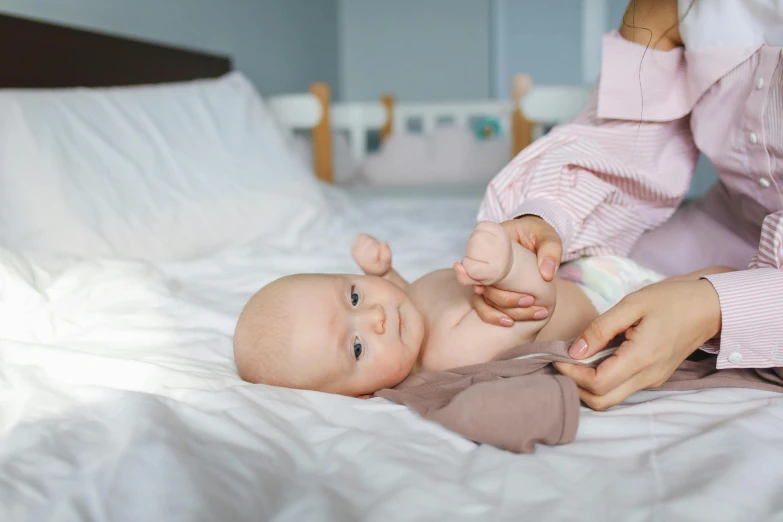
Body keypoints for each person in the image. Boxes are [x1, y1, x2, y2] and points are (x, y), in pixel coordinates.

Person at [473, 0, 783, 410]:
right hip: (733, 223)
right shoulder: (671, 8)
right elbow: (623, 148)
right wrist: (546, 217)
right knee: (600, 280)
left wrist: (716, 309)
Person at [232, 221, 715, 397]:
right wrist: (507, 266)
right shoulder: (451, 354)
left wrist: (387, 273)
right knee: (710, 282)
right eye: (357, 346)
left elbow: (407, 298)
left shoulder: (404, 315)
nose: (376, 316)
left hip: (579, 265)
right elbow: (533, 311)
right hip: (613, 300)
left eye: (354, 296)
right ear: (357, 395)